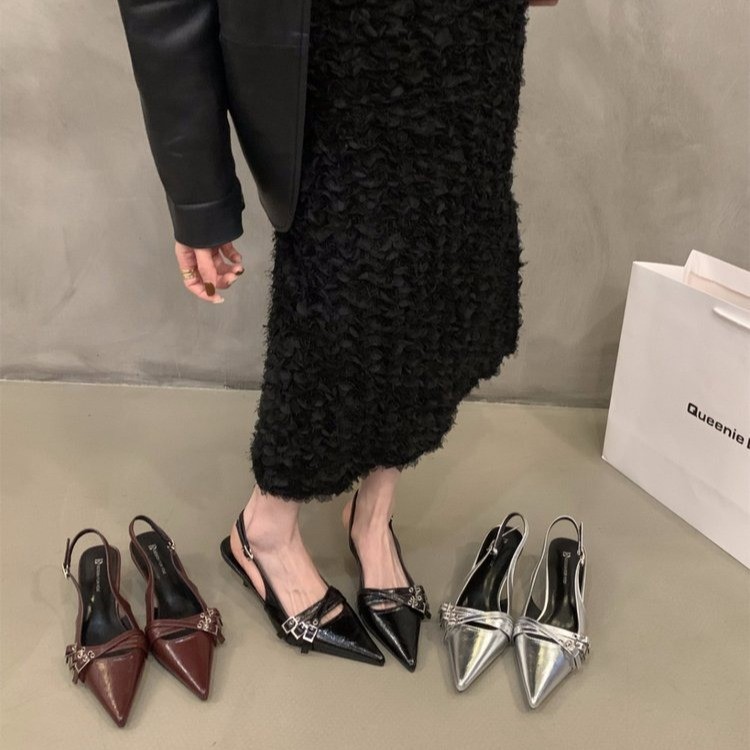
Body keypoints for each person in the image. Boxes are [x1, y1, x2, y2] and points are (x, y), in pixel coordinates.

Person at [115, 0, 559, 671]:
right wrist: (199, 196)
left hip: (474, 30)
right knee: (348, 286)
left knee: (448, 269)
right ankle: (263, 530)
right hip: (334, 36)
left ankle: (372, 515)